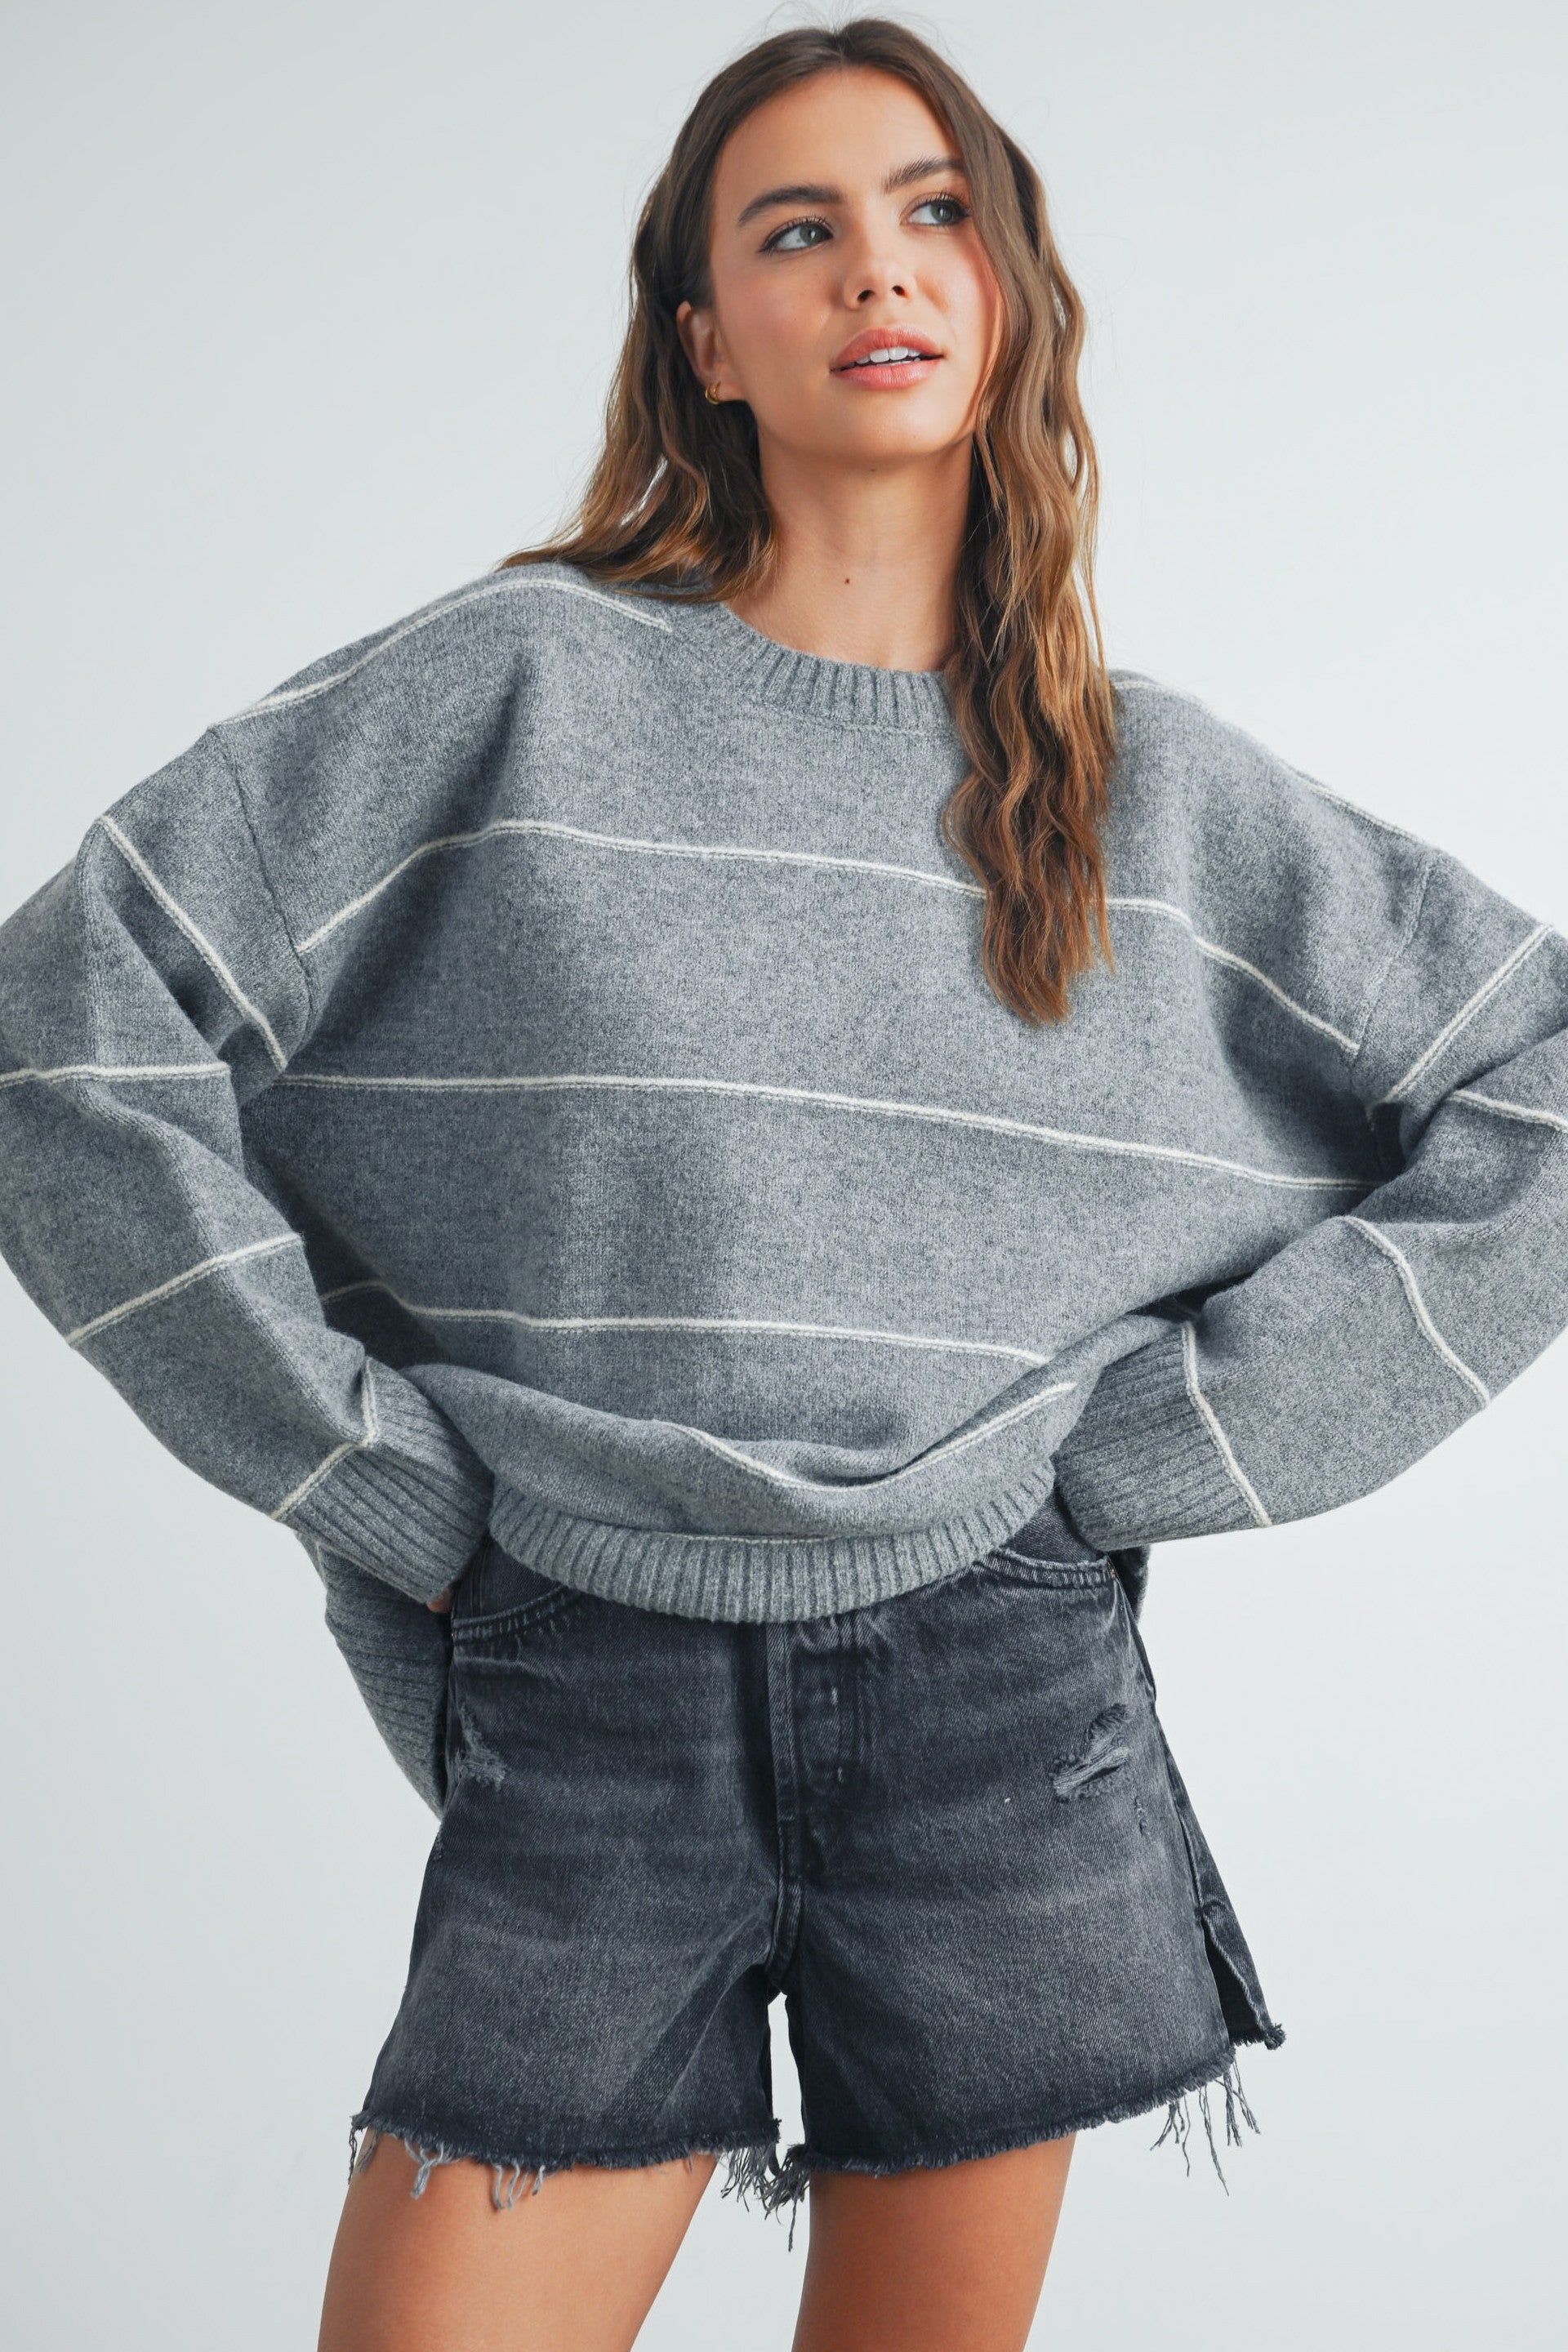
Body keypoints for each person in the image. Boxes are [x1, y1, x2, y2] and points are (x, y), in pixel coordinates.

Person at [2, 16, 1565, 2351]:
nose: (878, 270)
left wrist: (1174, 1444)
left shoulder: (1149, 794)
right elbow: (65, 1024)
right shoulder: (515, 689)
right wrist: (356, 1464)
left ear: (1008, 294)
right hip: (586, 1665)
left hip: (999, 1690)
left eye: (936, 214)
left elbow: (1539, 1079)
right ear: (706, 337)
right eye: (798, 229)